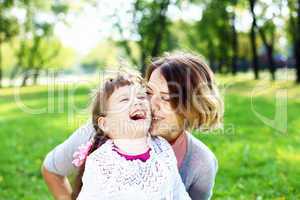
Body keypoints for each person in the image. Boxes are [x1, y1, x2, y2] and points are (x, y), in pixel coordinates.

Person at [42, 52, 223, 200]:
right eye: (148, 92)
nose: (150, 104)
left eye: (166, 98)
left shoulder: (201, 163)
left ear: (193, 108)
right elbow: (51, 170)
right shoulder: (101, 130)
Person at [74, 73, 190, 199]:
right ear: (105, 123)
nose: (137, 102)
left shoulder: (162, 148)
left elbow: (178, 191)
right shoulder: (101, 163)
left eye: (141, 97)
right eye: (124, 99)